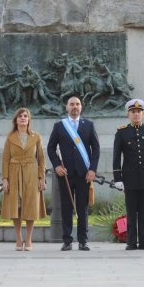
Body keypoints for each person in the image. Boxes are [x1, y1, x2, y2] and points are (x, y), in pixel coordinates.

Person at [47, 96, 100, 251]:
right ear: (67, 107)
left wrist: (92, 169)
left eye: (77, 104)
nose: (75, 107)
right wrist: (56, 166)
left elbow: (96, 149)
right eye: (72, 104)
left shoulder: (89, 125)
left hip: (84, 174)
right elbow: (51, 148)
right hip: (66, 173)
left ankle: (83, 240)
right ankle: (67, 240)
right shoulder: (59, 126)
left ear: (81, 107)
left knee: (82, 208)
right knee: (66, 207)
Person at [113, 99, 144, 250]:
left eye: (138, 112)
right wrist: (118, 178)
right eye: (133, 112)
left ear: (143, 114)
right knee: (131, 211)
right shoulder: (122, 132)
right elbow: (116, 156)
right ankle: (131, 242)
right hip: (129, 178)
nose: (136, 114)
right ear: (128, 114)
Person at [1, 108, 47, 251]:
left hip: (31, 172)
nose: (22, 118)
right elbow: (5, 159)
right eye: (20, 116)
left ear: (29, 120)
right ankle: (19, 237)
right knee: (16, 205)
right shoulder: (10, 136)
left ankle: (28, 239)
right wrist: (5, 179)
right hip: (14, 172)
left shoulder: (36, 136)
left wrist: (41, 178)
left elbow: (41, 158)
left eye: (25, 116)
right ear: (16, 120)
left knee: (30, 204)